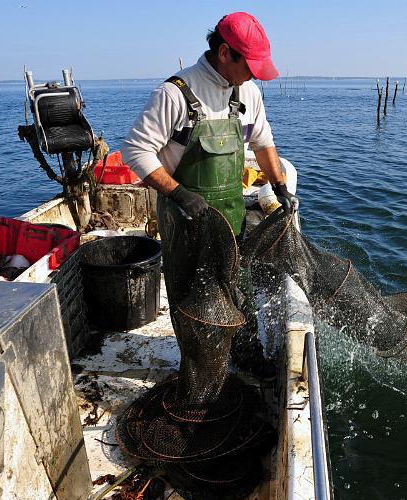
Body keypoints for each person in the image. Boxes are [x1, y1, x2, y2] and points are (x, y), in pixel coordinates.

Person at [122, 12, 296, 395]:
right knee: (190, 296)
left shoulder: (247, 92)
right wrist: (178, 193)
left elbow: (262, 142)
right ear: (224, 53)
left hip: (230, 215)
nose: (253, 76)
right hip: (183, 220)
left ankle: (243, 353)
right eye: (248, 67)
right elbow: (135, 151)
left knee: (235, 288)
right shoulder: (175, 93)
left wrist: (279, 184)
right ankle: (198, 365)